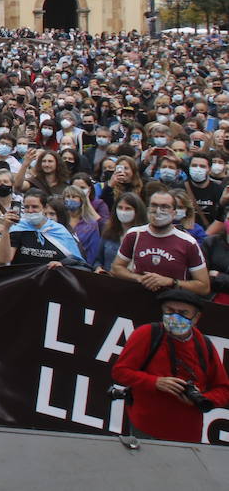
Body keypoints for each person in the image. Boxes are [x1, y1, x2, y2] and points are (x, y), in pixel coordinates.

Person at [112, 289, 229, 442]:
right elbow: (120, 372)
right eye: (170, 310)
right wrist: (156, 382)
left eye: (183, 313)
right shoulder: (147, 333)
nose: (175, 316)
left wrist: (203, 399)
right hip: (146, 426)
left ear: (196, 317)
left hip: (187, 433)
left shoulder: (204, 345)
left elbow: (223, 389)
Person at [112, 189, 211, 296]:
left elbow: (204, 287)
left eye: (165, 207)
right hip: (138, 299)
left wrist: (171, 282)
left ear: (174, 213)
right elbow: (116, 268)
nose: (158, 210)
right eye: (154, 205)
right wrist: (138, 278)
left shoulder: (188, 242)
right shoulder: (134, 234)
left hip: (172, 303)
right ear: (148, 209)